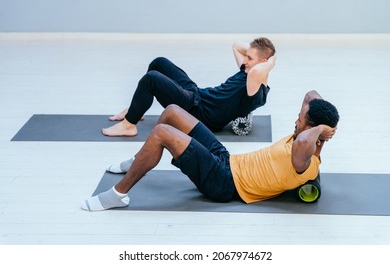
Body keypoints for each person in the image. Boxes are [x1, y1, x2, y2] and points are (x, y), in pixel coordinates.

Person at [81, 90, 339, 211]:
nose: (296, 121)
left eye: (301, 120)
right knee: (172, 112)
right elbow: (310, 95)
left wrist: (320, 132)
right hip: (227, 160)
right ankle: (140, 160)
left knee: (161, 134)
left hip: (225, 183)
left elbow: (306, 140)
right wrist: (323, 126)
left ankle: (117, 194)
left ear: (313, 130)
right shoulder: (305, 136)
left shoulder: (304, 158)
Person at [102, 37, 276, 137]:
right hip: (198, 96)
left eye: (250, 58)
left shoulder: (256, 86)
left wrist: (272, 59)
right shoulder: (248, 69)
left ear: (263, 63)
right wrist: (259, 55)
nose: (245, 60)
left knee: (151, 79)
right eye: (247, 56)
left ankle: (129, 125)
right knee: (159, 63)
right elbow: (237, 45)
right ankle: (137, 110)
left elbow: (259, 71)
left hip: (200, 114)